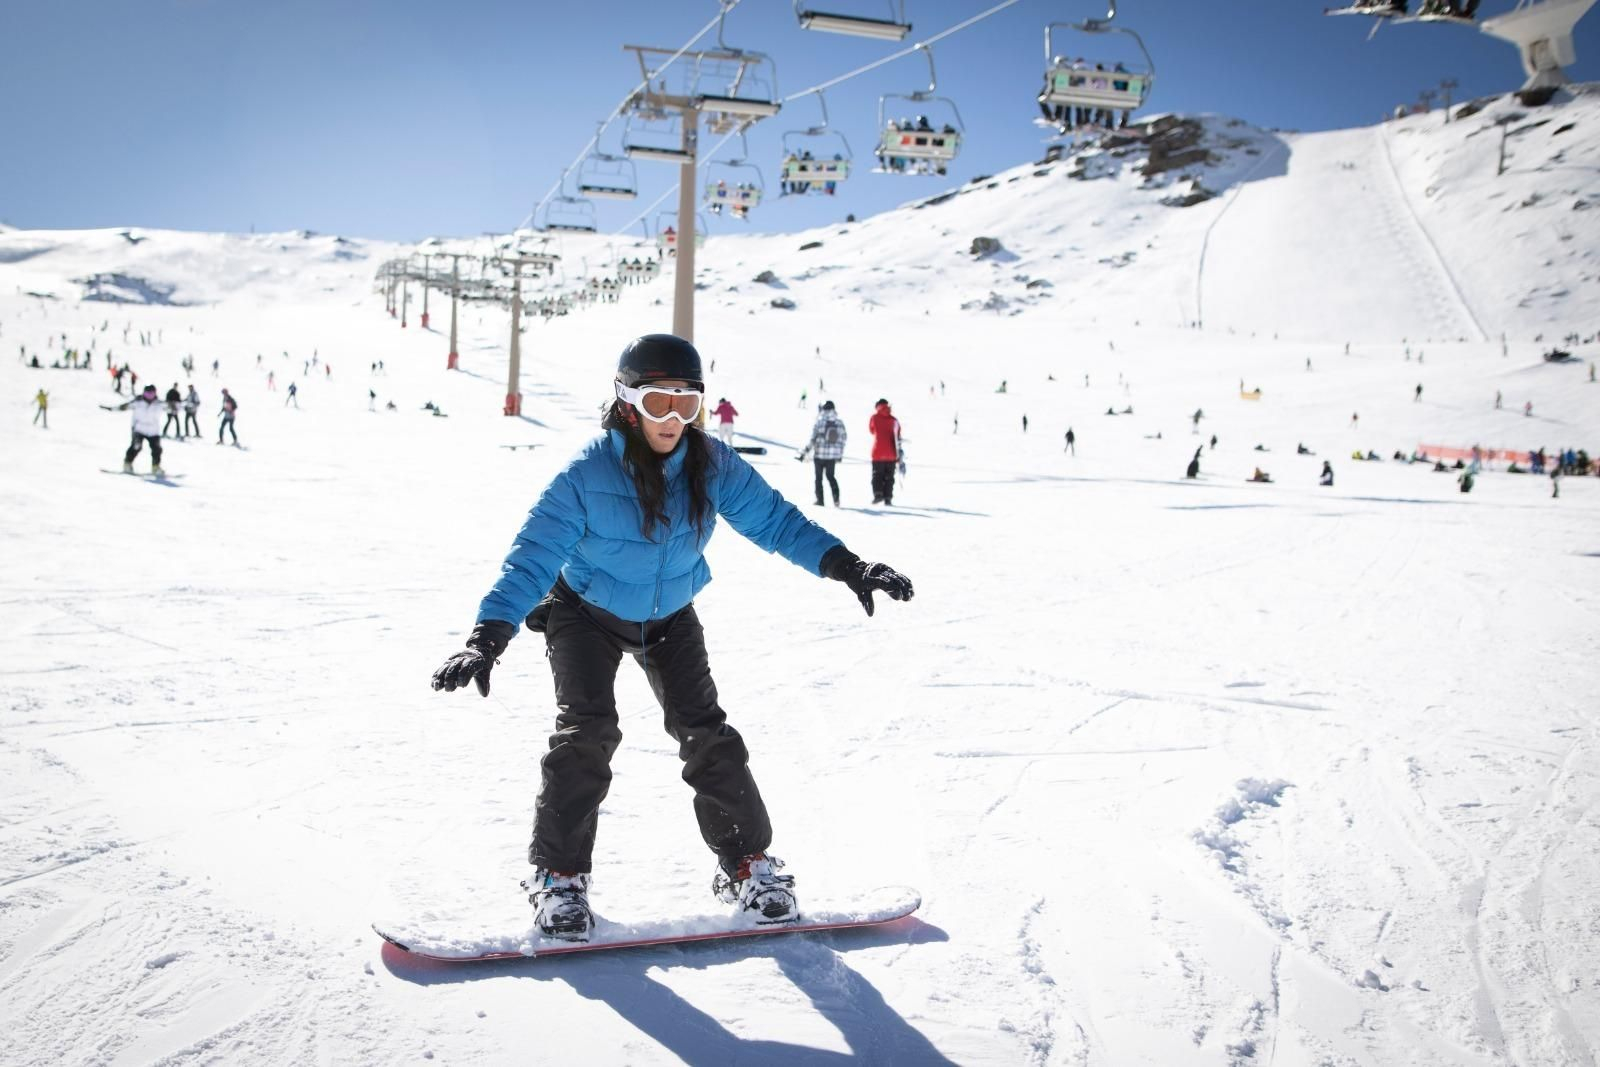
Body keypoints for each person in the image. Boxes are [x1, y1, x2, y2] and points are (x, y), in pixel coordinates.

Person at [429, 335, 913, 941]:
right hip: (585, 612)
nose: (674, 420)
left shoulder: (712, 465)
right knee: (588, 733)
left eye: (688, 406)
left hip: (670, 615)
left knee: (705, 731)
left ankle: (748, 865)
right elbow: (532, 555)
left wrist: (848, 566)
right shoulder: (586, 474)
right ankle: (559, 878)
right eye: (661, 404)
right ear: (628, 403)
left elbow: (776, 521)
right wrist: (487, 637)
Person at [798, 399, 847, 506]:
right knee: (831, 476)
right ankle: (836, 498)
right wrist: (839, 454)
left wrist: (805, 451)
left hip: (819, 455)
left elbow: (813, 439)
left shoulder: (819, 422)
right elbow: (843, 439)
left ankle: (820, 500)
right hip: (832, 457)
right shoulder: (839, 423)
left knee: (818, 478)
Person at [115, 383, 165, 474]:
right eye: (147, 394)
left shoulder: (159, 404)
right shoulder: (137, 402)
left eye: (151, 394)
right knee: (136, 446)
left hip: (153, 431)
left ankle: (155, 467)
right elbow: (124, 407)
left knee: (157, 449)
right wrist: (114, 408)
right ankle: (127, 464)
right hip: (139, 429)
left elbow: (172, 407)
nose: (149, 396)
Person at [868, 398, 903, 505]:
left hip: (878, 453)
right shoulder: (894, 420)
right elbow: (898, 435)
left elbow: (872, 430)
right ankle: (888, 498)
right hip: (892, 453)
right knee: (889, 477)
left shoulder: (874, 418)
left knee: (877, 475)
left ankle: (878, 495)